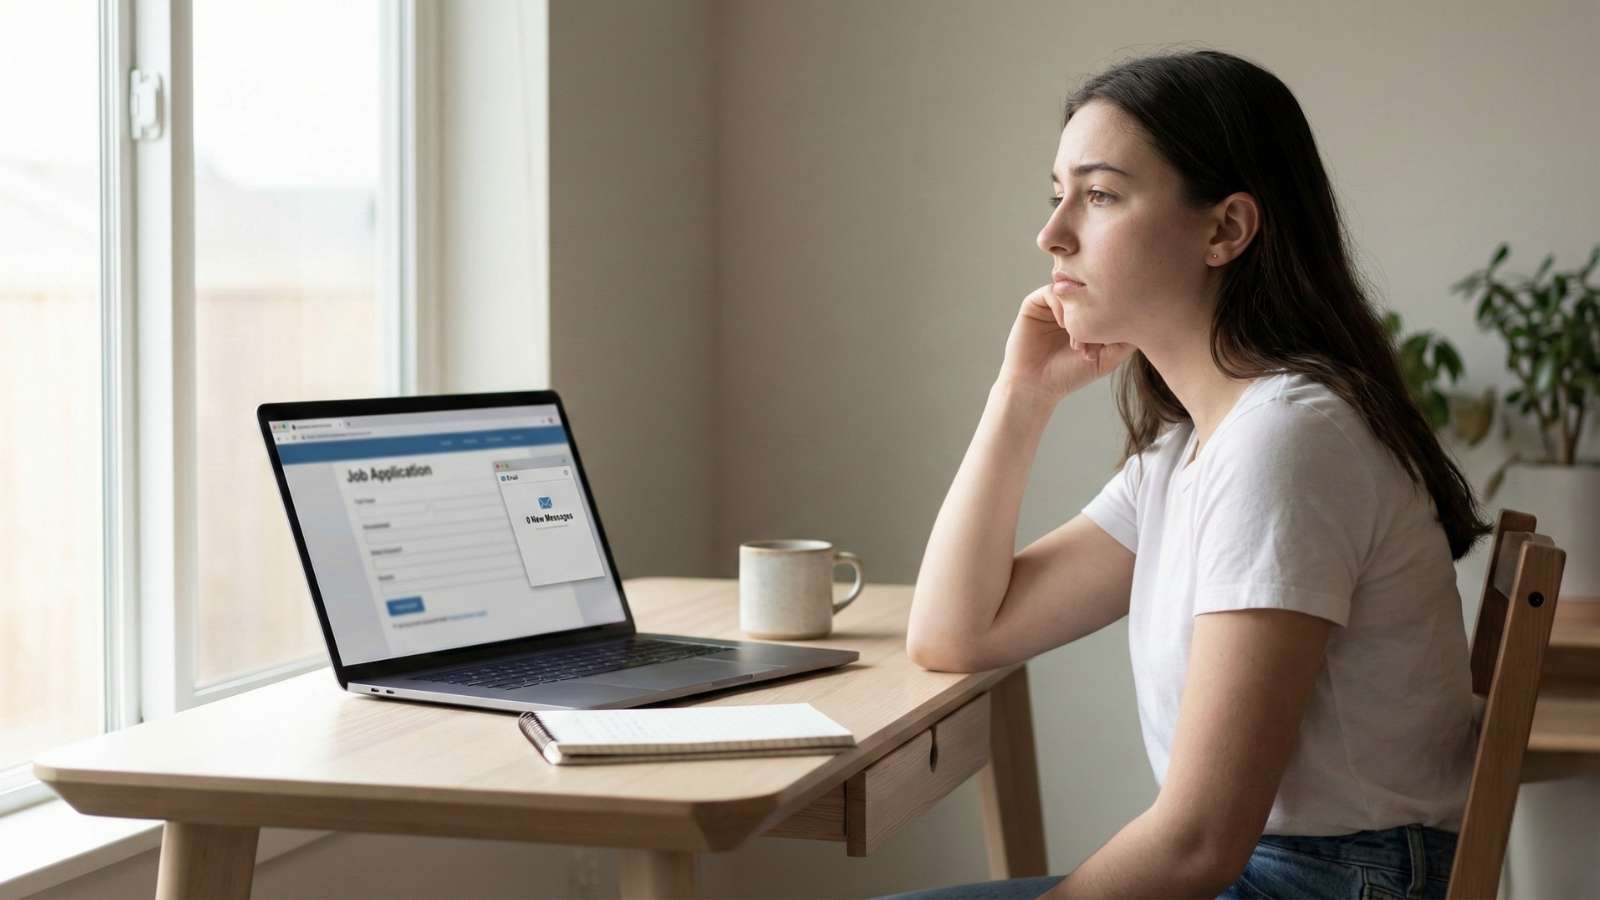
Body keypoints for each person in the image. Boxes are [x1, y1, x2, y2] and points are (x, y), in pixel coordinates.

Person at [890, 49, 1488, 900]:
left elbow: (1199, 842)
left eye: (1098, 195)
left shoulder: (1284, 444)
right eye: (1055, 193)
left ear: (1225, 230)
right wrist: (1018, 398)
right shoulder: (1192, 448)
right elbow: (954, 635)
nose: (1052, 233)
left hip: (1333, 882)